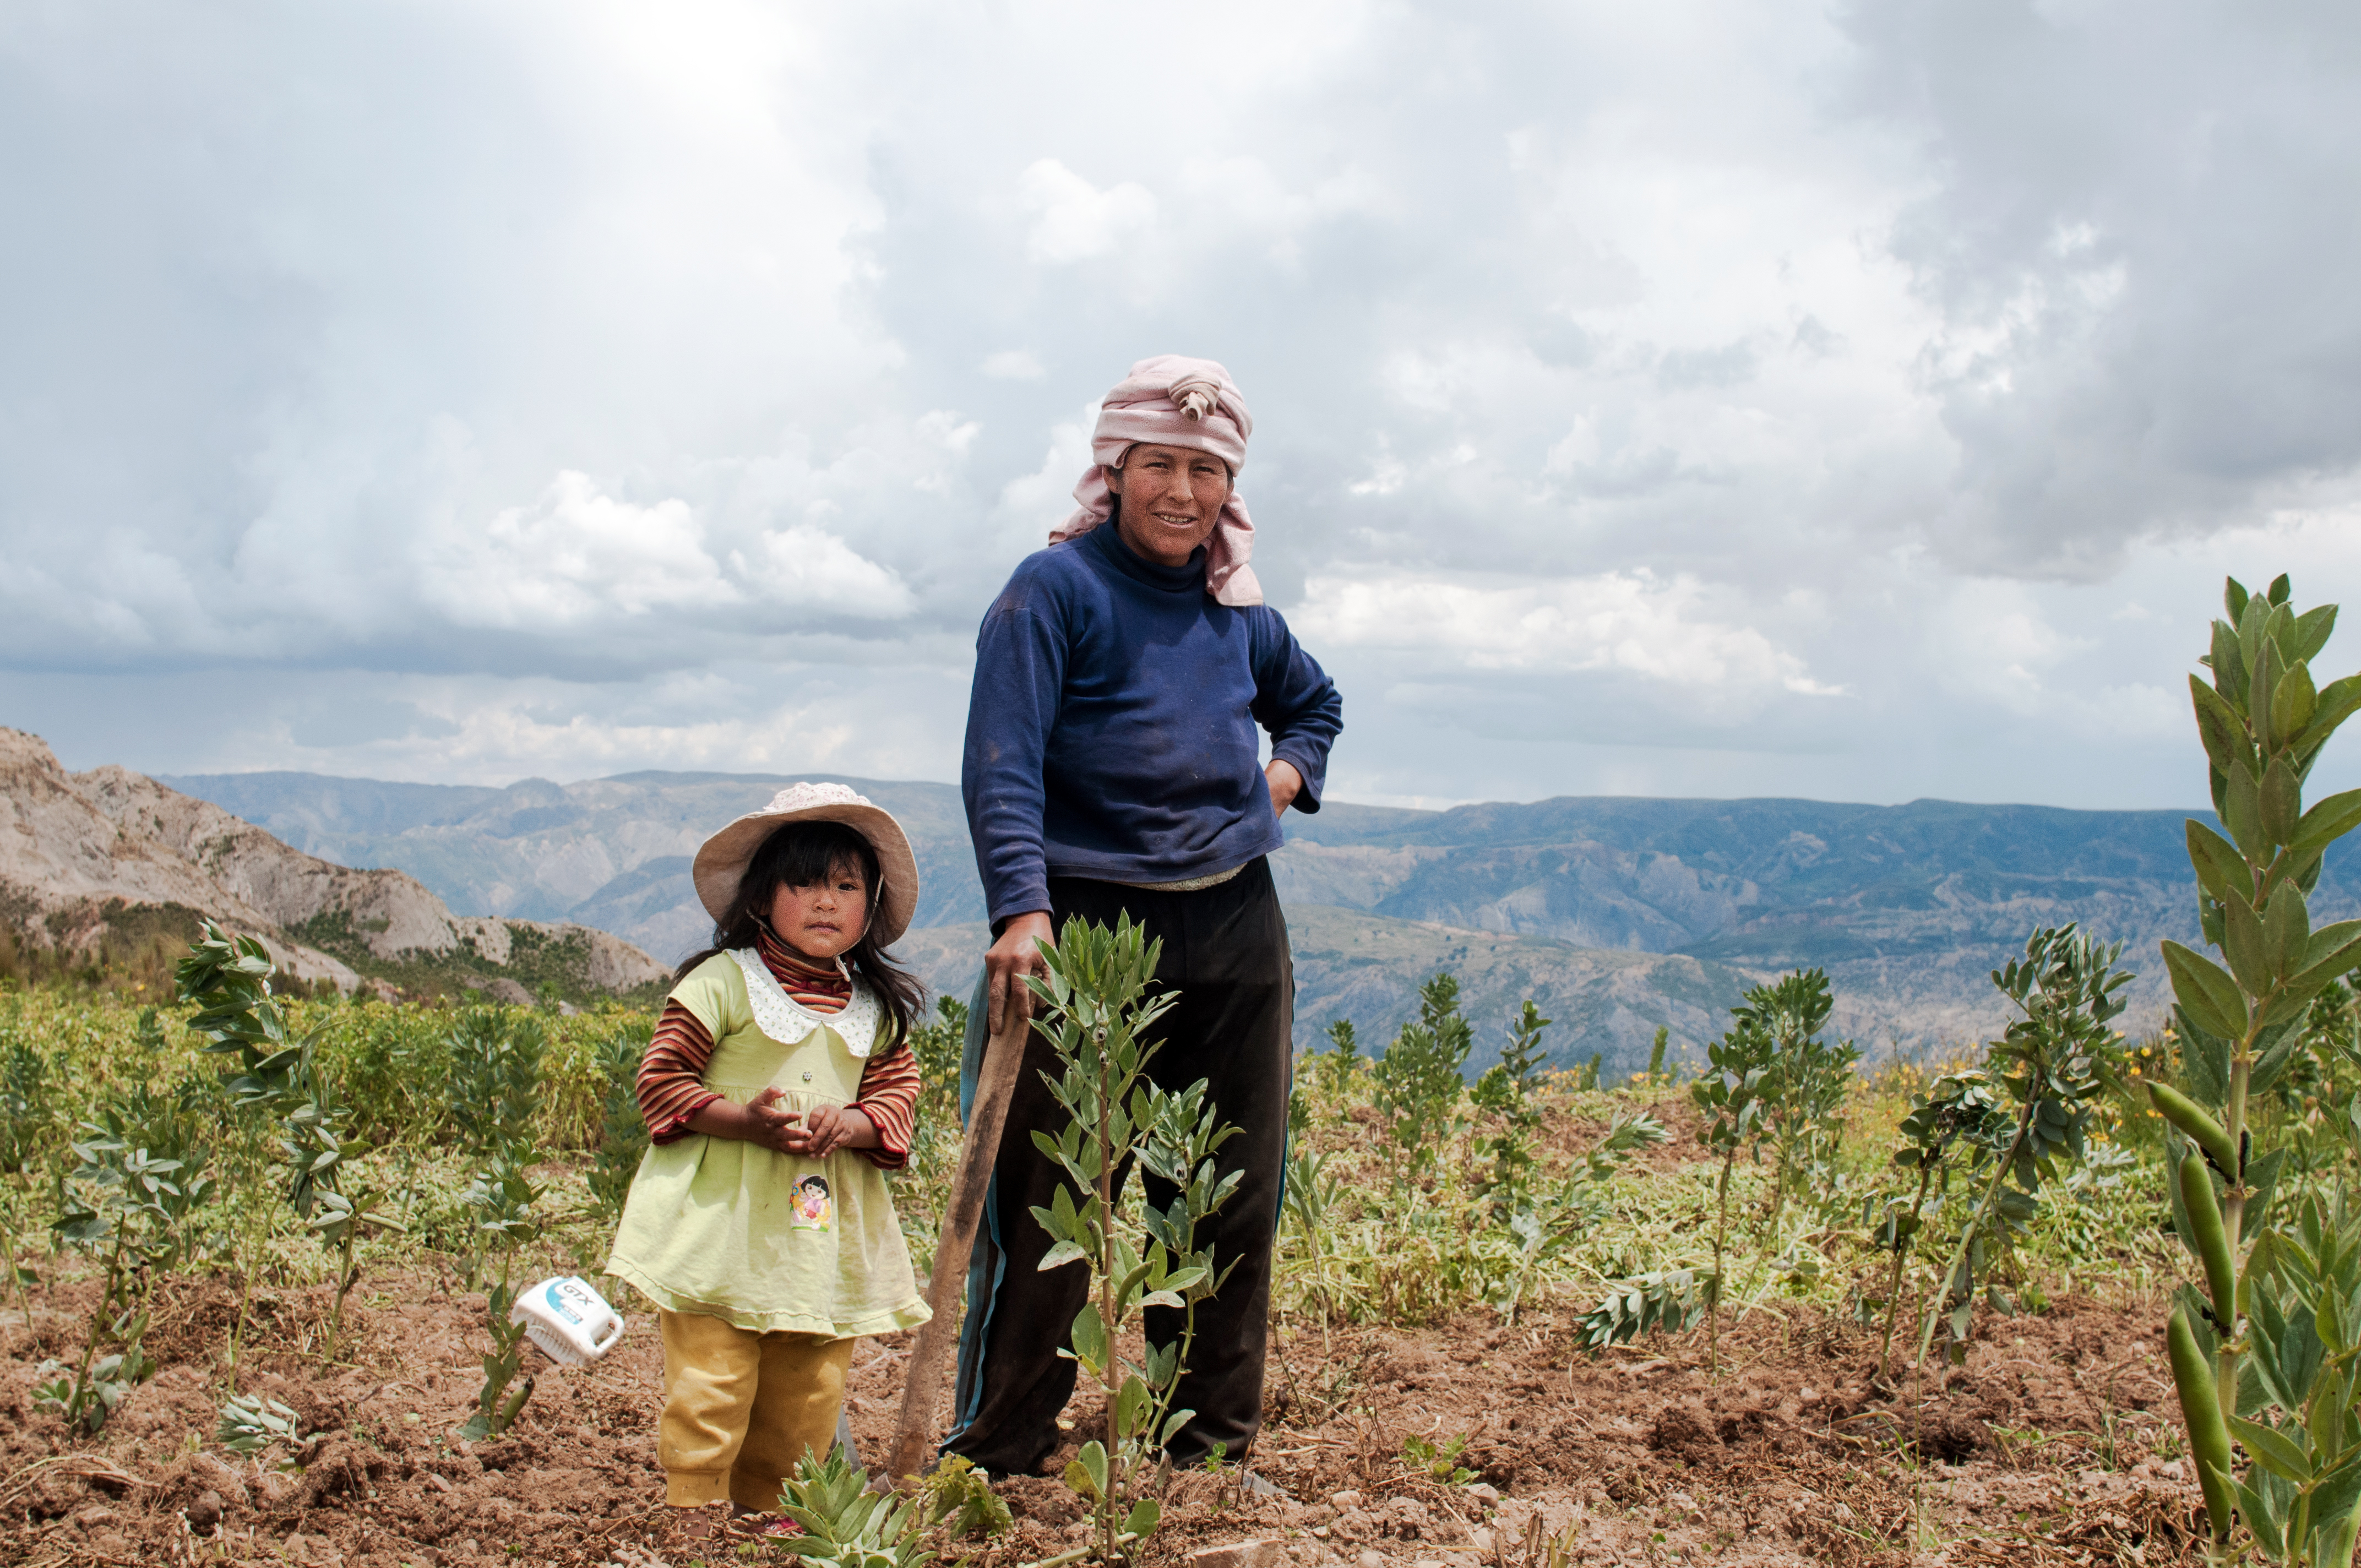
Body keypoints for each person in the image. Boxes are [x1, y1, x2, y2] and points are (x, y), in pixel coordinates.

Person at [946, 354, 1343, 1480]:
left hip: (1230, 922)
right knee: (1049, 1194)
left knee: (1219, 1188)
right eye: (1159, 464)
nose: (1181, 490)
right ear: (1112, 472)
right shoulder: (1051, 588)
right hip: (1080, 919)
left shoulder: (1236, 611)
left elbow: (1313, 702)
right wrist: (1021, 907)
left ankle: (1203, 1444)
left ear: (1230, 489)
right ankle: (1003, 1443)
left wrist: (1283, 773)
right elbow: (1002, 760)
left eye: (1204, 469)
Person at [606, 783, 932, 1535]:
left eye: (847, 886)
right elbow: (661, 1081)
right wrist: (743, 1122)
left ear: (870, 904)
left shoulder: (873, 1008)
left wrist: (851, 1125)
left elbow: (895, 1097)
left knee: (811, 1376)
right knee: (714, 1371)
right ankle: (695, 1508)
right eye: (806, 883)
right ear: (761, 899)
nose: (827, 902)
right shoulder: (723, 983)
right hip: (722, 1219)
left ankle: (775, 1510)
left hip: (818, 1227)